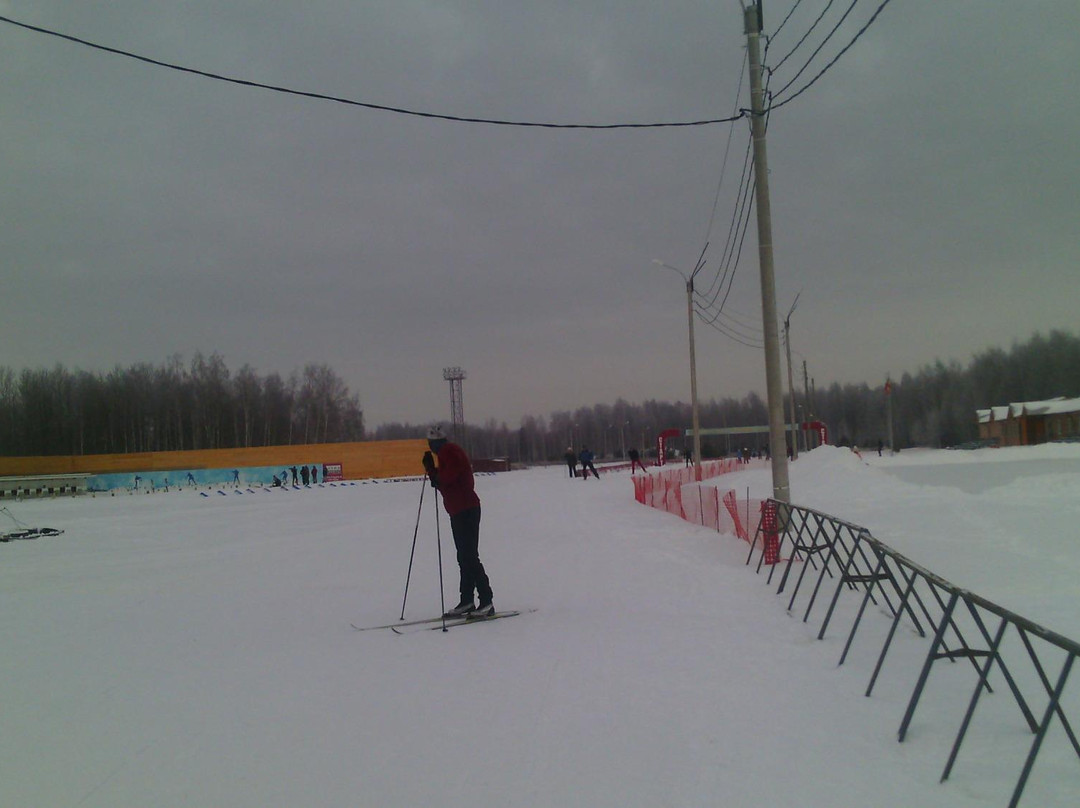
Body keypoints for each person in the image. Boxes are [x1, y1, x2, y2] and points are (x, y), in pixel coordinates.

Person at [422, 426, 494, 618]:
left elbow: (448, 478)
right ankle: (467, 601)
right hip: (459, 510)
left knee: (469, 556)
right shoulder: (446, 453)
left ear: (436, 442)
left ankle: (486, 600)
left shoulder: (449, 451)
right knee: (464, 557)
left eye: (431, 444)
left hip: (466, 510)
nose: (431, 447)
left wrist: (432, 471)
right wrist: (433, 471)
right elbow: (445, 484)